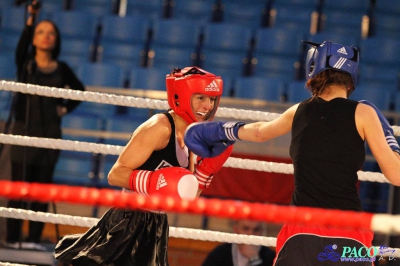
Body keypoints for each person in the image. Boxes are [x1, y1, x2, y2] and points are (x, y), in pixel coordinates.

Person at [184, 40, 400, 265]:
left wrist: (220, 130)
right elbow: (396, 175)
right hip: (347, 231)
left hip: (301, 230)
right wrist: (392, 143)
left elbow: (259, 132)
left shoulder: (299, 111)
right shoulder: (364, 113)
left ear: (315, 67)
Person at [54, 66, 233, 265]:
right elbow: (115, 174)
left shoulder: (193, 137)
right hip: (128, 219)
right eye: (201, 98)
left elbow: (186, 198)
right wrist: (153, 182)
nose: (207, 106)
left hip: (157, 224)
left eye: (212, 99)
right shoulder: (159, 127)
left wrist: (205, 172)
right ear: (183, 95)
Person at [5, 0, 86, 250]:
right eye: (41, 32)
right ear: (34, 38)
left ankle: (32, 242)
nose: (46, 36)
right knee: (19, 191)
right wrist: (32, 17)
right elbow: (20, 49)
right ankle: (12, 240)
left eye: (51, 32)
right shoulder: (26, 63)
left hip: (50, 133)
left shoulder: (62, 68)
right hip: (24, 132)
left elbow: (81, 91)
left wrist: (64, 108)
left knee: (41, 192)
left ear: (56, 39)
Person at [202, 219, 275, 266]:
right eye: (246, 229)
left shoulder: (270, 256)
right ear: (236, 230)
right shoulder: (220, 253)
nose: (250, 234)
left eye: (256, 230)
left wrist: (254, 259)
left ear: (261, 232)